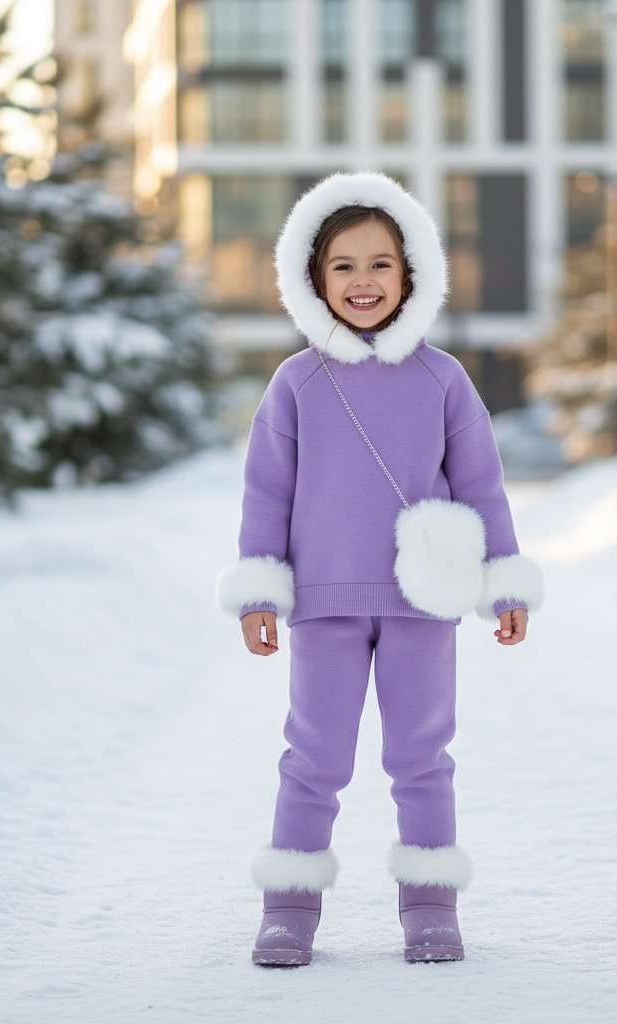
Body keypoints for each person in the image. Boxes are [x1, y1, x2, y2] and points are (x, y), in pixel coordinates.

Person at [215, 173, 544, 967]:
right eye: (343, 267)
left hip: (420, 605)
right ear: (312, 277)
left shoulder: (443, 380)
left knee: (421, 758)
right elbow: (267, 492)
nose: (363, 282)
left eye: (380, 265)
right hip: (325, 603)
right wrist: (261, 588)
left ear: (412, 274)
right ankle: (288, 908)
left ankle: (430, 908)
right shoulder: (296, 383)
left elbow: (481, 487)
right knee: (316, 756)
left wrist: (503, 575)